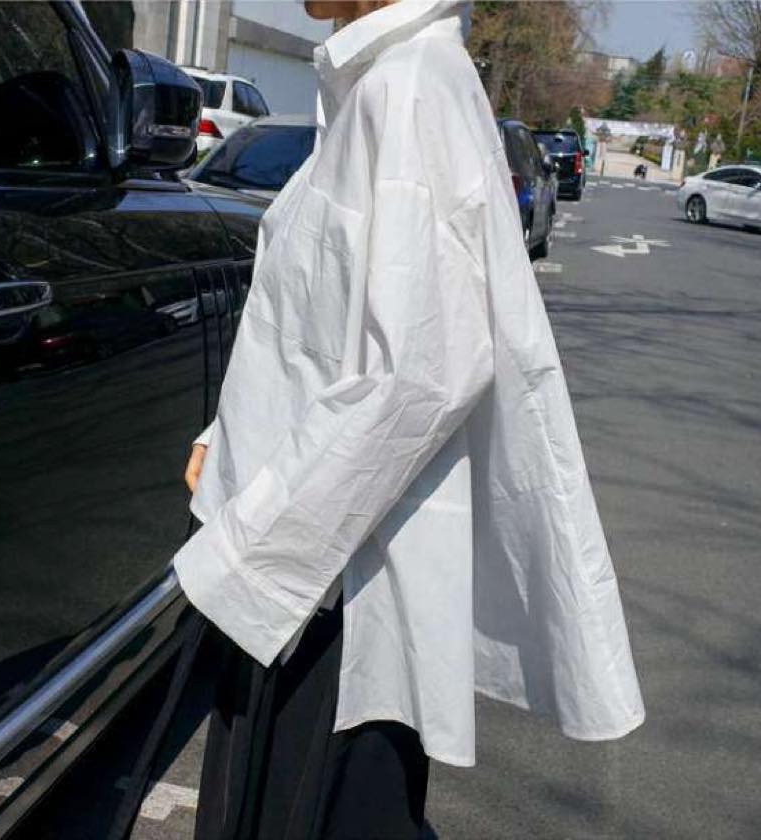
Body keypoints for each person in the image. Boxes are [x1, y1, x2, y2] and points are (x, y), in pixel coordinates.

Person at [174, 1, 646, 837]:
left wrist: (252, 548)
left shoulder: (410, 87)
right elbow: (326, 336)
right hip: (309, 576)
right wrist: (229, 440)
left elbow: (423, 368)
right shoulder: (377, 83)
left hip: (330, 594)